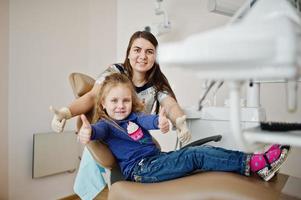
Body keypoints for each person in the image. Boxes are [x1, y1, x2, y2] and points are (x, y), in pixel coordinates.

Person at [78, 73, 290, 183]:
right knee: (195, 156)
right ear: (103, 103)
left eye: (125, 100)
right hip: (141, 170)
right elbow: (98, 132)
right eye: (114, 101)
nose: (120, 106)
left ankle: (254, 162)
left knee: (195, 153)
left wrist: (160, 122)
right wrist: (88, 132)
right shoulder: (107, 125)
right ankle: (256, 164)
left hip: (155, 161)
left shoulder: (134, 116)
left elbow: (148, 121)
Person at [50, 30, 191, 144]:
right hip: (107, 137)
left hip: (134, 142)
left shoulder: (157, 84)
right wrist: (65, 113)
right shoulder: (115, 72)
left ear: (155, 57)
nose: (143, 56)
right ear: (129, 53)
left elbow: (171, 105)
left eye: (149, 51)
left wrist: (180, 122)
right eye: (137, 50)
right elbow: (93, 96)